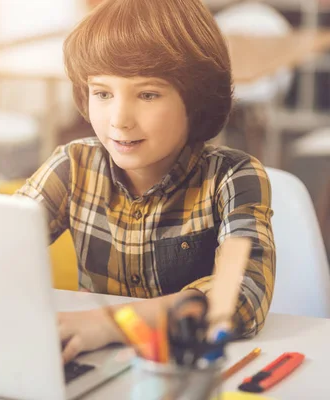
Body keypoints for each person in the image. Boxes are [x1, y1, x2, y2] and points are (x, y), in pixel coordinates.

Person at [15, 0, 275, 364]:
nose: (119, 120)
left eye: (148, 94)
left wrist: (113, 323)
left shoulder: (233, 177)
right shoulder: (71, 166)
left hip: (191, 372)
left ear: (196, 100)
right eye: (102, 93)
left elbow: (242, 297)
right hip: (99, 362)